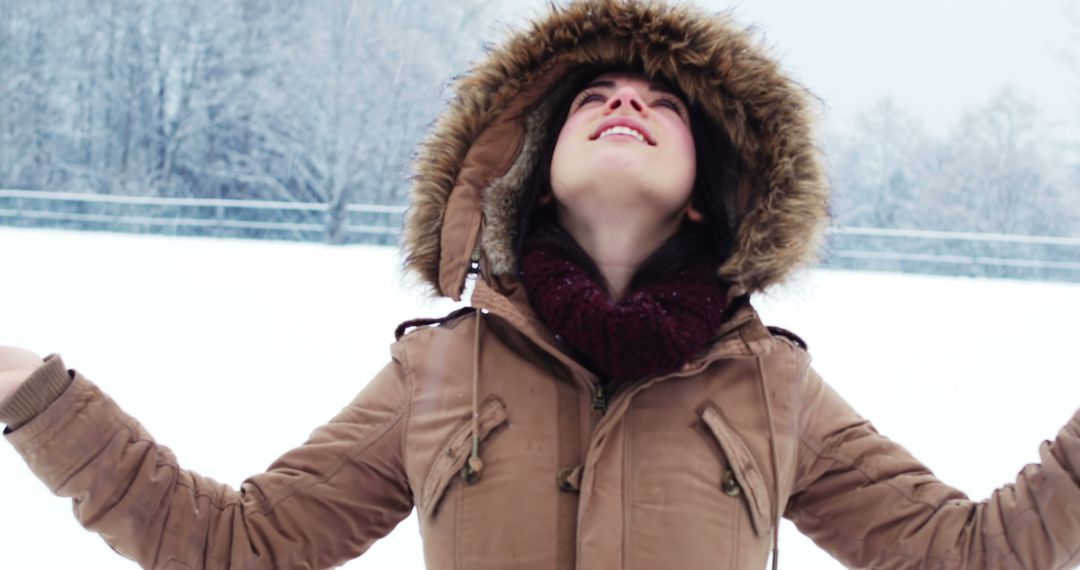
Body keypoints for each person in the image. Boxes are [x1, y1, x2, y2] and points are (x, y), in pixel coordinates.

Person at [2, 1, 1079, 568]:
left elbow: (970, 555)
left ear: (707, 191)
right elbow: (232, 547)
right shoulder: (438, 369)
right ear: (530, 177)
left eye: (661, 101)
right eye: (591, 95)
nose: (625, 101)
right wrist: (32, 394)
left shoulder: (771, 387)